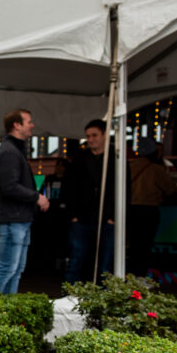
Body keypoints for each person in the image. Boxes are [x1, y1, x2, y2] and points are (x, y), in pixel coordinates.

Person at [0, 109, 49, 295]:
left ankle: (5, 311)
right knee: (7, 270)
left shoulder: (11, 150)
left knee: (13, 271)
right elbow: (9, 187)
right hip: (12, 220)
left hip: (15, 220)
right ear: (17, 125)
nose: (32, 125)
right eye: (28, 121)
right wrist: (37, 197)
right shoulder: (9, 153)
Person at [62, 119, 116, 284]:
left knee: (106, 263)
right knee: (76, 260)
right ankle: (69, 297)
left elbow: (124, 189)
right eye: (88, 136)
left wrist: (113, 216)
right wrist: (73, 215)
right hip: (82, 219)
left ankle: (104, 299)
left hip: (107, 219)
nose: (91, 139)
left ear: (104, 135)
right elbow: (68, 187)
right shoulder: (79, 160)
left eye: (94, 135)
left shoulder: (115, 158)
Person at [127, 136, 176, 277]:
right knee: (144, 246)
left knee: (134, 246)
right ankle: (140, 277)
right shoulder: (156, 169)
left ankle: (130, 275)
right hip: (148, 210)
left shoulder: (130, 166)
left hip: (131, 209)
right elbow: (170, 189)